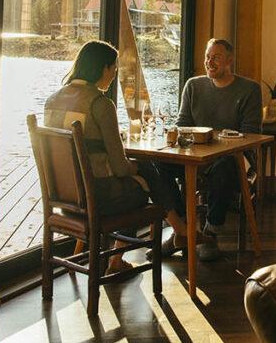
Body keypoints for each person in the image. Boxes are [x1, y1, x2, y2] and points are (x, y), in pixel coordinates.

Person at [43, 40, 191, 275]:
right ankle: (177, 233)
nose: (114, 75)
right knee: (142, 184)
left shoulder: (52, 100)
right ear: (103, 68)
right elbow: (120, 168)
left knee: (143, 174)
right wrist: (138, 168)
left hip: (64, 197)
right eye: (114, 68)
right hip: (99, 196)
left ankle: (179, 231)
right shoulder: (99, 104)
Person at [158, 38, 263, 261]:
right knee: (158, 166)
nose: (209, 62)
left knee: (224, 168)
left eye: (216, 57)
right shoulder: (193, 86)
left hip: (232, 158)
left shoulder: (249, 89)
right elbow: (183, 122)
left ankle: (210, 232)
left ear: (229, 61)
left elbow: (251, 134)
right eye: (207, 57)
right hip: (195, 156)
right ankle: (183, 230)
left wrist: (211, 139)